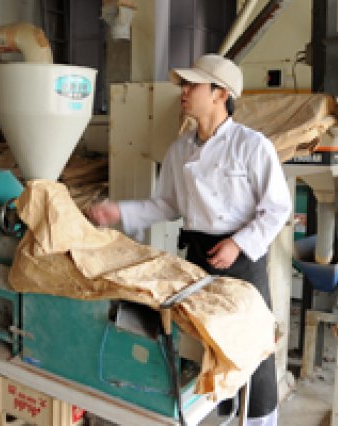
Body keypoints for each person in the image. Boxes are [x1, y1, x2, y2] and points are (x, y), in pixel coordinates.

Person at [88, 53, 291, 426]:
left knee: (251, 347)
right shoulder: (180, 149)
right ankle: (217, 414)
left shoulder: (251, 145)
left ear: (220, 94)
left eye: (192, 85)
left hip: (242, 260)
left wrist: (237, 244)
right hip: (197, 258)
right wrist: (118, 212)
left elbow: (277, 209)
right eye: (184, 84)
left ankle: (258, 421)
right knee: (202, 345)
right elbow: (166, 205)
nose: (183, 91)